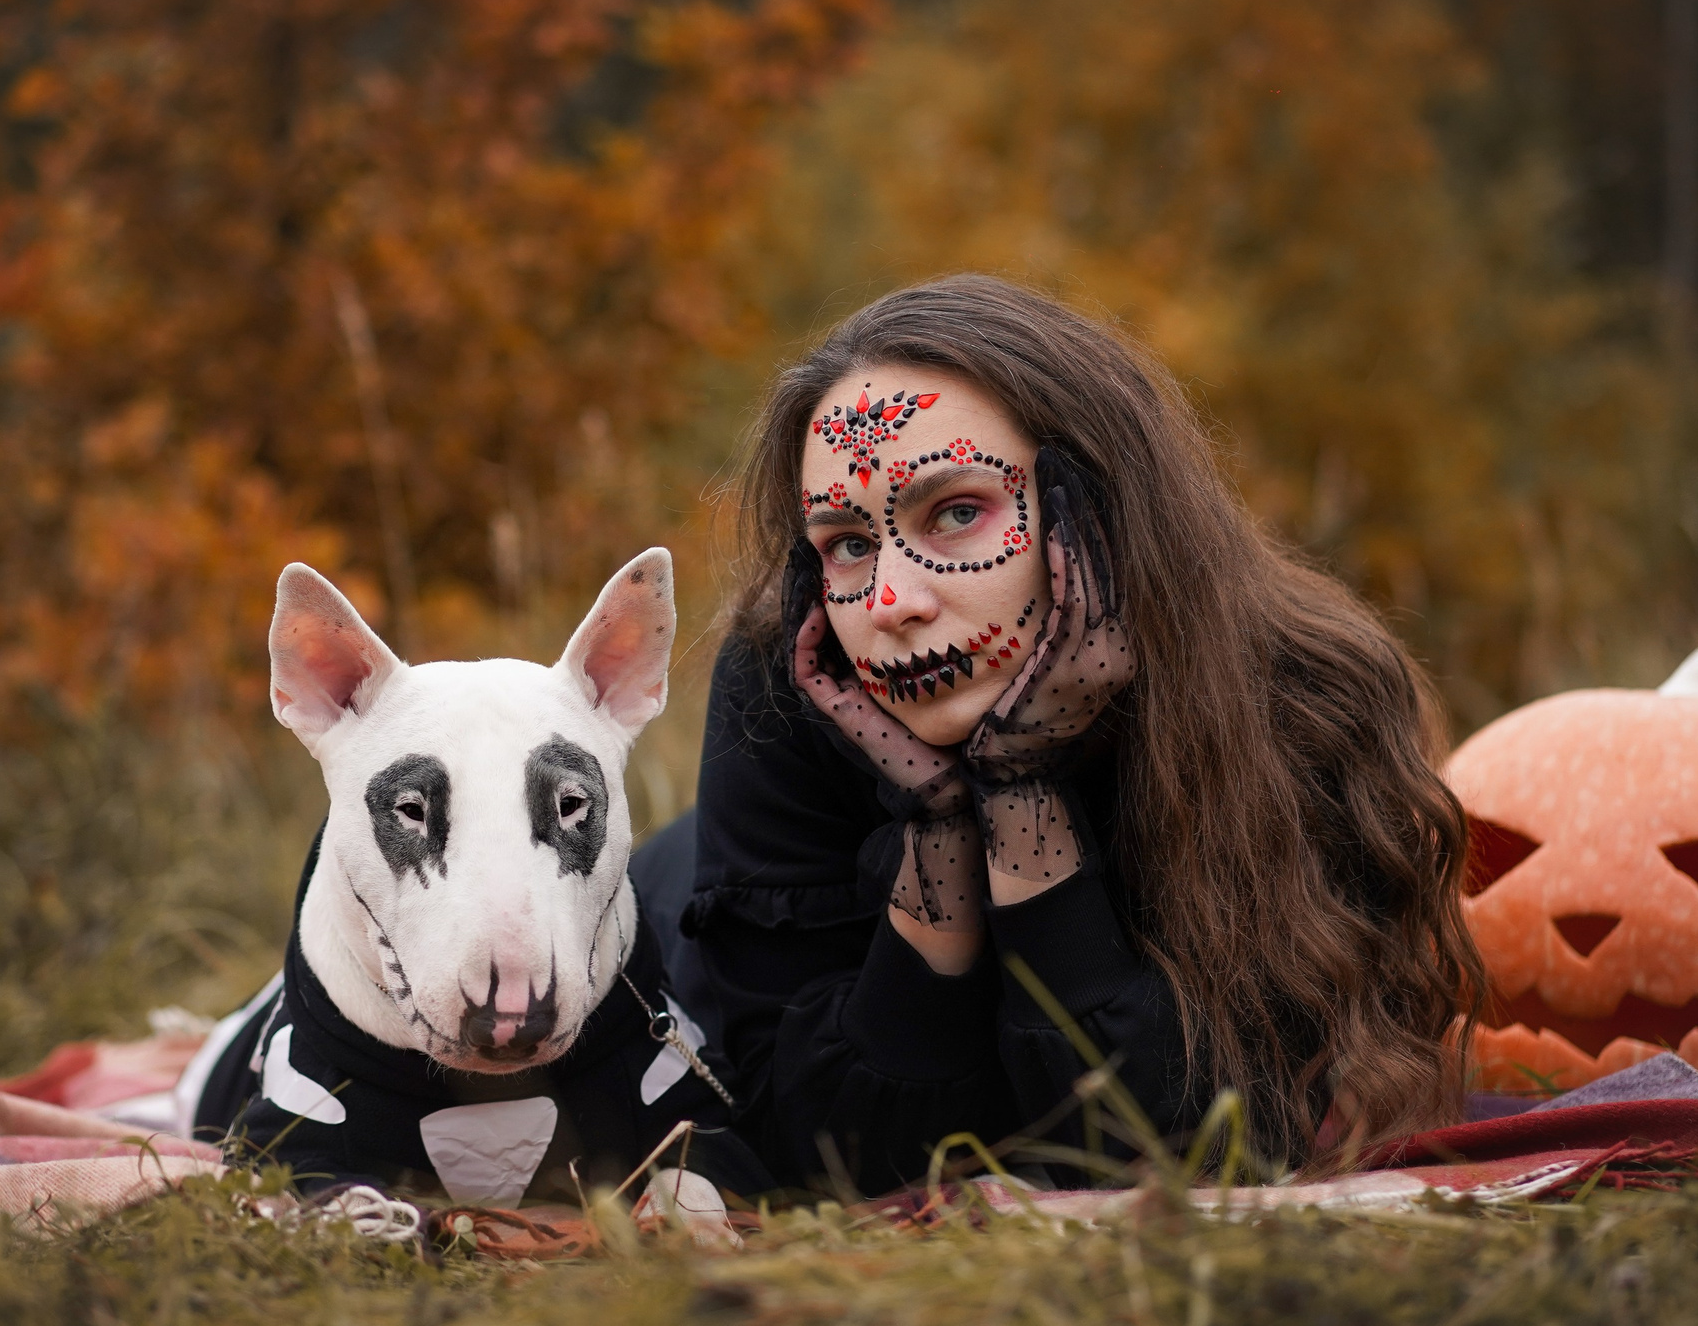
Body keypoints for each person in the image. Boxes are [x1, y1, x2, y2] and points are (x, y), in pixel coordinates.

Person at [634, 274, 1484, 1194]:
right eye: (846, 543)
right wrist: (937, 832)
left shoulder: (1305, 694)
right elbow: (827, 1160)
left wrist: (1021, 792)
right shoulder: (788, 683)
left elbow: (1196, 1151)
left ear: (1099, 516)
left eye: (957, 513)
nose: (891, 604)